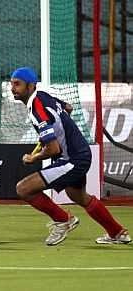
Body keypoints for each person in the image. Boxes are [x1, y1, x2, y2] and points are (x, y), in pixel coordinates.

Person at [11, 67, 131, 246]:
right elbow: (68, 107)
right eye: (12, 84)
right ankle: (117, 232)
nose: (13, 88)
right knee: (76, 194)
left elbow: (52, 149)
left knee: (23, 189)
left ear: (30, 86)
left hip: (72, 160)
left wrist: (33, 158)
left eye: (17, 84)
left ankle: (63, 220)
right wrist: (55, 129)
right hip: (81, 153)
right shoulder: (43, 96)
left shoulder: (37, 110)